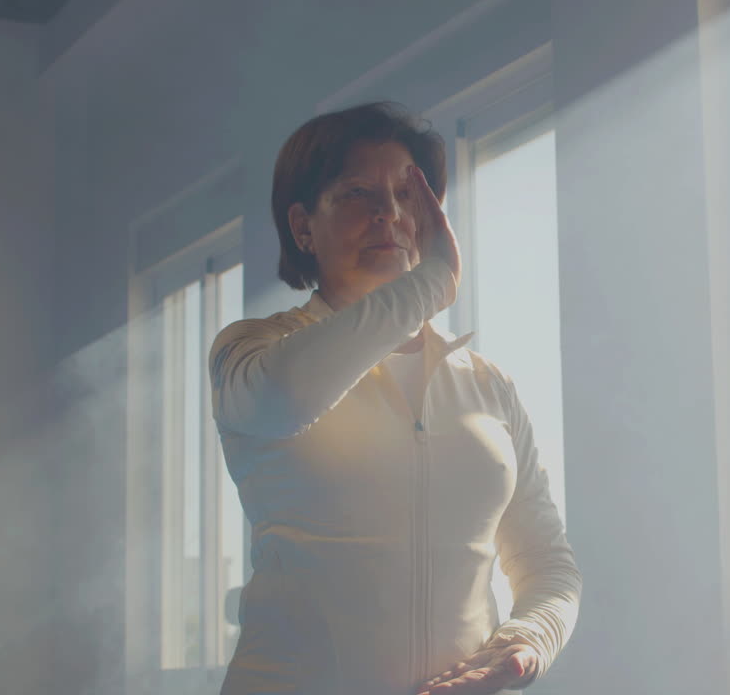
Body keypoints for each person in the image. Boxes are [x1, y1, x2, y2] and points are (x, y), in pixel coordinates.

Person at [208, 102, 581, 695]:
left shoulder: (488, 384)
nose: (389, 214)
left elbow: (548, 565)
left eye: (409, 194)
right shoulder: (253, 352)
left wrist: (525, 646)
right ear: (303, 226)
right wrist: (432, 281)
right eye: (358, 193)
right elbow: (282, 401)